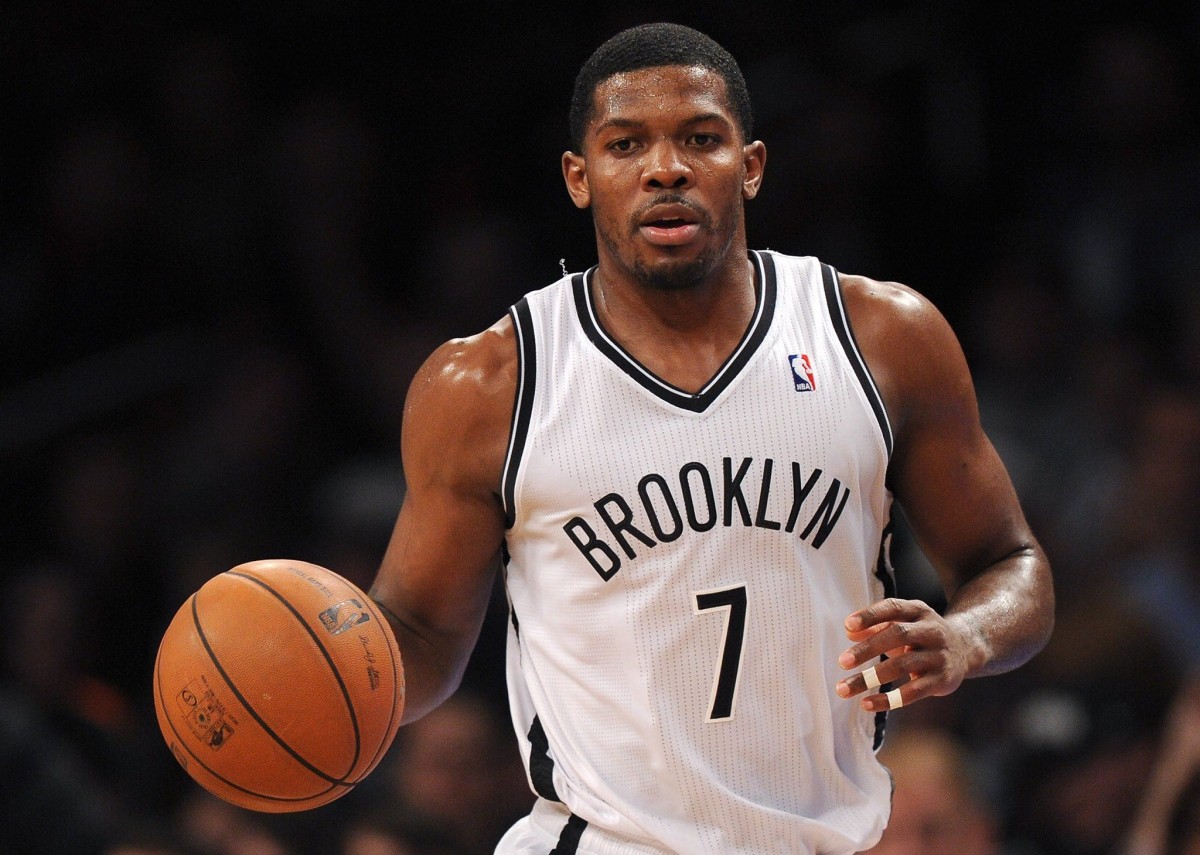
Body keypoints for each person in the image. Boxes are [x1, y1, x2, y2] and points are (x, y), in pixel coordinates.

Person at [367, 21, 1054, 855]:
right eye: (626, 144)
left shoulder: (883, 337)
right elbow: (420, 632)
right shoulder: (487, 385)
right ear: (580, 178)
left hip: (825, 839)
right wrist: (320, 680)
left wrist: (965, 637)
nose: (665, 168)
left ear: (751, 165)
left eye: (700, 138)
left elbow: (1011, 563)